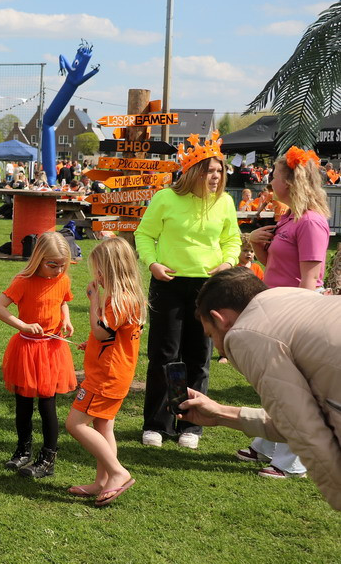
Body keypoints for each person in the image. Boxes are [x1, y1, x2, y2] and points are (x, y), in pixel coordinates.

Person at [184, 267, 341, 510]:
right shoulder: (289, 296)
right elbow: (295, 421)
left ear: (220, 318)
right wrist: (221, 414)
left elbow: (305, 432)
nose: (217, 346)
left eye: (211, 334)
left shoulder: (245, 333)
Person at [134, 130, 240, 450]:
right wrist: (152, 263)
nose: (216, 176)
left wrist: (227, 262)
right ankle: (158, 423)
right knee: (164, 355)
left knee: (198, 356)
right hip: (168, 283)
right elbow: (144, 234)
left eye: (220, 170)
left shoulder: (225, 202)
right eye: (210, 171)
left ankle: (191, 424)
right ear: (194, 172)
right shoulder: (166, 198)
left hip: (207, 287)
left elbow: (232, 240)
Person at [237, 146, 331, 479]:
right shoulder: (289, 217)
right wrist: (257, 244)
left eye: (275, 176)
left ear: (290, 181)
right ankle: (267, 443)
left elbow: (309, 279)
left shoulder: (312, 222)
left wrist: (297, 324)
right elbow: (276, 266)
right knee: (276, 383)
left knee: (296, 388)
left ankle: (294, 460)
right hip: (277, 306)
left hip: (296, 312)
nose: (270, 181)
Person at [65, 238, 145, 507]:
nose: (96, 275)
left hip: (105, 377)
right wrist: (92, 344)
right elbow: (112, 337)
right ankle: (102, 481)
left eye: (99, 270)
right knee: (103, 426)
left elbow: (101, 331)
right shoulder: (129, 297)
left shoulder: (120, 300)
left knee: (75, 424)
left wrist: (94, 301)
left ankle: (117, 471)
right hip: (116, 373)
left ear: (111, 269)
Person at [0, 231, 77, 477]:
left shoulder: (62, 280)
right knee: (23, 404)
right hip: (27, 349)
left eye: (63, 265)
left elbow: (63, 301)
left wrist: (66, 319)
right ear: (38, 259)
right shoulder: (23, 281)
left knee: (48, 404)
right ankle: (23, 451)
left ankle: (48, 458)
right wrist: (23, 325)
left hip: (51, 349)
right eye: (52, 265)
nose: (58, 270)